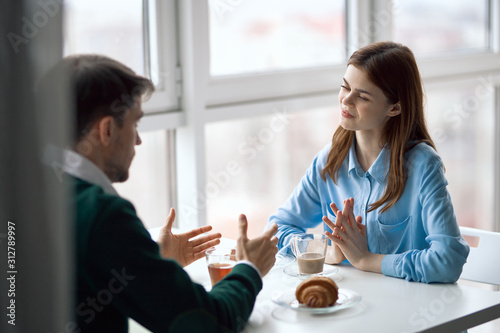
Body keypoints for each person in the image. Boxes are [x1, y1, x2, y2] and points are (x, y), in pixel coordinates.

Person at [49, 54, 278, 332]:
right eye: (135, 124)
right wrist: (248, 269)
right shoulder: (103, 215)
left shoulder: (28, 190)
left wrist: (152, 262)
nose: (138, 140)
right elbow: (208, 323)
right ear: (107, 129)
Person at [267, 41, 469, 284]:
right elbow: (277, 228)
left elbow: (448, 261)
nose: (346, 100)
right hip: (354, 305)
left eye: (361, 96)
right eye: (345, 87)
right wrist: (326, 252)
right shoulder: (329, 161)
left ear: (394, 108)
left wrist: (367, 260)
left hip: (412, 313)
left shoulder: (423, 165)